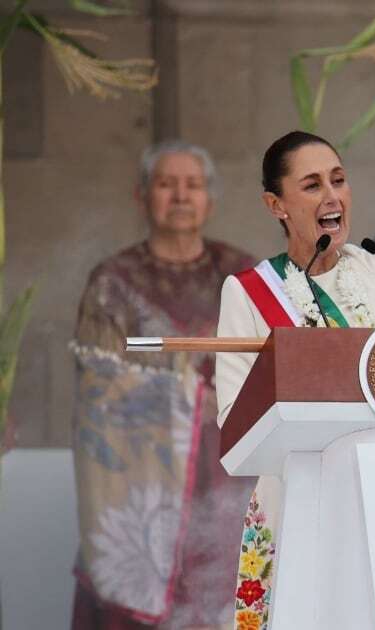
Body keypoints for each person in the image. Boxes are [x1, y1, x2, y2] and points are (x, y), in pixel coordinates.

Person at [214, 40, 375, 629]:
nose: (332, 195)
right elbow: (233, 428)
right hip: (298, 504)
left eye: (338, 179)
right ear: (276, 205)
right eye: (311, 186)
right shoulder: (249, 294)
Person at [70, 141, 256, 629]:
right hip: (142, 478)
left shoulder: (242, 275)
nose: (180, 195)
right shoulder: (113, 281)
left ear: (210, 201)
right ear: (142, 196)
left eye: (193, 185)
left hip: (228, 480)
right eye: (166, 184)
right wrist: (190, 394)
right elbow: (98, 388)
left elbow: (273, 365)